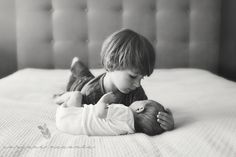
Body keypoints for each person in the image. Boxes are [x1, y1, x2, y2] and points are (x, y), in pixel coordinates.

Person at [56, 28, 174, 131]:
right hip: (81, 85)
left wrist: (164, 122)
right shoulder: (89, 93)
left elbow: (146, 113)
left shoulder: (136, 92)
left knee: (87, 75)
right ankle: (76, 64)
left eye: (141, 78)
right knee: (81, 76)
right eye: (132, 76)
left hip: (95, 80)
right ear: (111, 63)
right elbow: (77, 116)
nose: (138, 84)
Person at [56, 91, 167, 136]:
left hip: (68, 117)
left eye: (142, 101)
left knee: (77, 94)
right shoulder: (129, 130)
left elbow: (99, 113)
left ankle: (60, 98)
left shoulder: (126, 112)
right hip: (71, 127)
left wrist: (104, 99)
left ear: (140, 109)